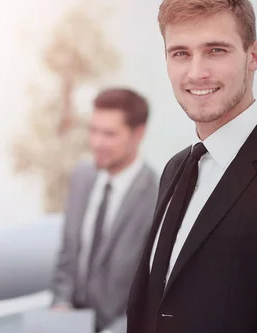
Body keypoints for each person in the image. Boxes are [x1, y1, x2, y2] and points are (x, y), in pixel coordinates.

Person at [126, 0, 257, 333]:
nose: (197, 72)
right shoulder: (177, 168)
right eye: (180, 53)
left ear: (254, 56)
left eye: (216, 50)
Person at [51, 88, 159, 333]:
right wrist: (61, 306)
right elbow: (67, 258)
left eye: (109, 134)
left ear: (138, 134)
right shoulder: (81, 176)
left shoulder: (158, 197)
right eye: (93, 131)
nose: (97, 143)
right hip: (68, 324)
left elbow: (153, 295)